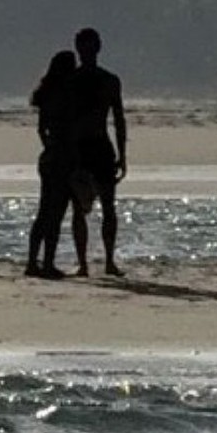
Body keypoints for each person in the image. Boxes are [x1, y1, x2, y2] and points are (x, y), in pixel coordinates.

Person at [25, 50, 89, 279]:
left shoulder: (47, 95)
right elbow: (74, 129)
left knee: (44, 211)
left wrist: (49, 146)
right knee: (56, 212)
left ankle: (33, 262)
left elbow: (41, 129)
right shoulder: (68, 95)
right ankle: (48, 263)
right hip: (64, 158)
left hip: (49, 156)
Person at [70, 27, 127, 277]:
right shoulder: (73, 80)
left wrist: (122, 154)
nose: (87, 52)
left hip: (98, 147)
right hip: (81, 148)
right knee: (80, 207)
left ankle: (107, 261)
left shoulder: (108, 80)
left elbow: (119, 120)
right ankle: (86, 263)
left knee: (107, 206)